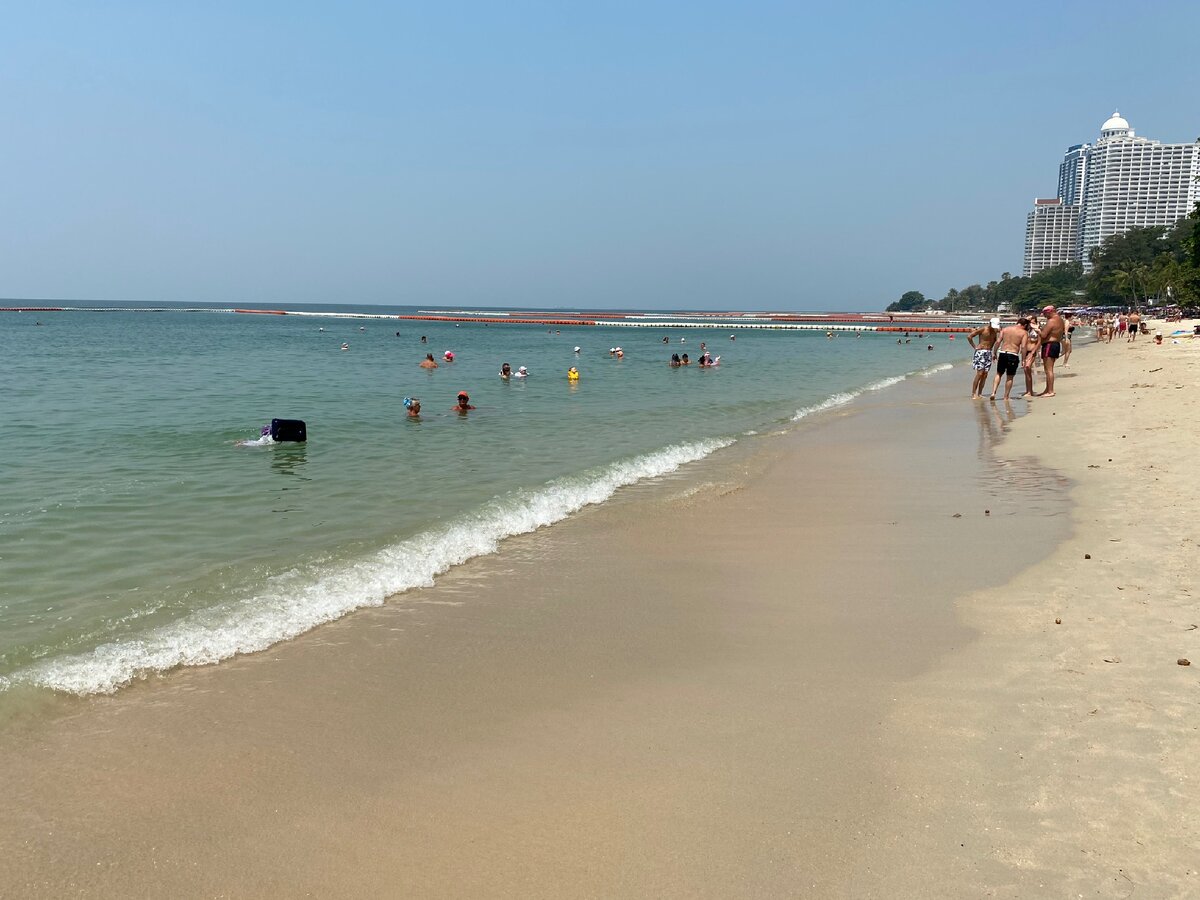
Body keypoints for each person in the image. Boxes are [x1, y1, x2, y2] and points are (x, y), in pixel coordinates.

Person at [989, 319, 1027, 401]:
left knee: (999, 374)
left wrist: (994, 353)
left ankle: (993, 392)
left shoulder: (1005, 329)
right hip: (1013, 354)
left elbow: (998, 341)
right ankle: (1006, 397)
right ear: (1025, 325)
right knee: (1009, 377)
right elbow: (1023, 347)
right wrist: (1024, 359)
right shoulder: (1023, 333)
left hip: (1002, 353)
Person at [967, 317, 1000, 399]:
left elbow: (994, 341)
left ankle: (980, 393)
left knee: (985, 374)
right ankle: (973, 393)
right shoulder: (983, 329)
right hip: (980, 352)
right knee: (980, 373)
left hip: (988, 353)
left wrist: (993, 353)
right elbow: (970, 336)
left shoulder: (995, 331)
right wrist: (975, 347)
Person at [1038, 305, 1065, 397]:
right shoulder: (1060, 320)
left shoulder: (1051, 321)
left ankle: (1050, 391)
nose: (1045, 316)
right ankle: (1047, 389)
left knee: (1048, 369)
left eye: (1045, 314)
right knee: (1047, 369)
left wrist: (1037, 330)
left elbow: (1043, 335)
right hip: (1056, 344)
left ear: (1049, 312)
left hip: (1050, 345)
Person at [1020, 318, 1041, 398]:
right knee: (1026, 370)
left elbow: (1039, 342)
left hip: (1032, 351)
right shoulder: (1025, 330)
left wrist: (1033, 352)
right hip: (1025, 352)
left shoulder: (1037, 331)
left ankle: (1029, 391)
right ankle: (1029, 390)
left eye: (1033, 322)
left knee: (1027, 367)